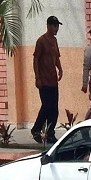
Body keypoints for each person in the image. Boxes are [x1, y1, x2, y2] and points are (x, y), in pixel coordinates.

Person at [32, 16, 63, 144]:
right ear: (48, 26)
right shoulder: (41, 41)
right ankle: (36, 129)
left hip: (53, 80)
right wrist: (37, 77)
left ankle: (50, 133)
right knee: (46, 106)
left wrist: (60, 69)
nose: (56, 28)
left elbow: (56, 58)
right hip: (44, 80)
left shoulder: (54, 41)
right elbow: (35, 60)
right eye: (54, 26)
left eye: (57, 26)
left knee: (54, 108)